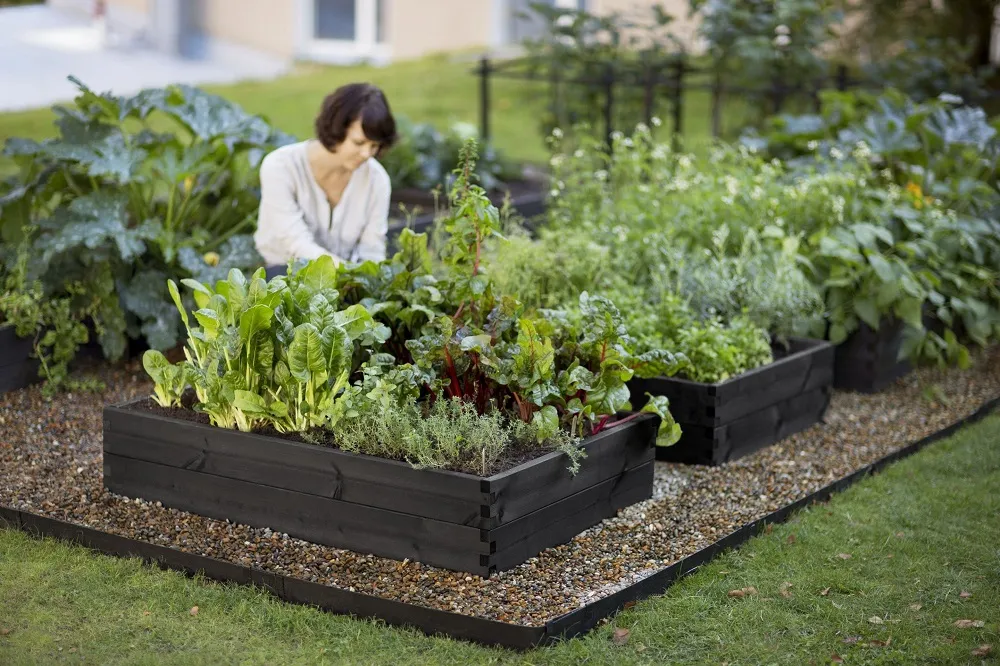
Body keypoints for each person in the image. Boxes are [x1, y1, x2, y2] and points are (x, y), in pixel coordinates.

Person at [254, 83, 397, 276]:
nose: (366, 154)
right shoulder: (280, 167)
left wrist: (367, 282)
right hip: (281, 275)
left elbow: (372, 251)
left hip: (343, 281)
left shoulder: (376, 180)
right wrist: (349, 273)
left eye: (374, 146)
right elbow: (296, 243)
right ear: (336, 129)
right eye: (359, 142)